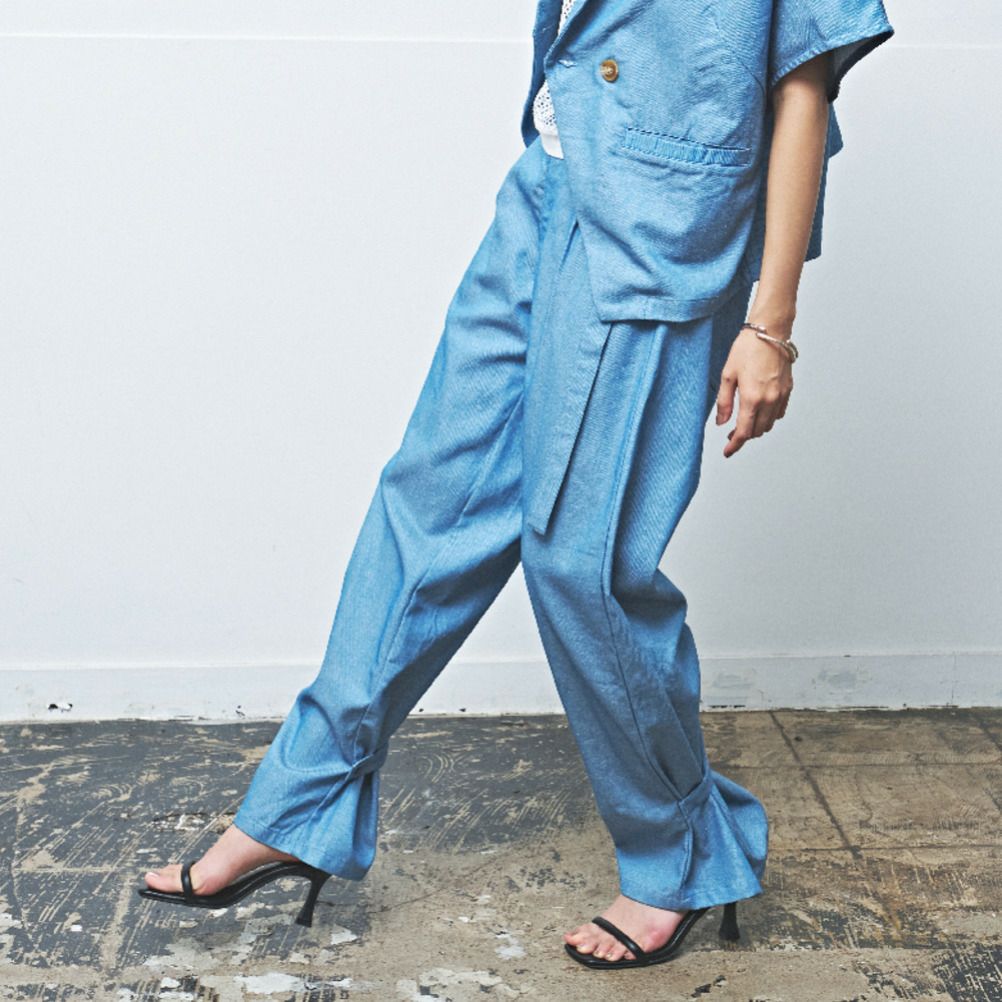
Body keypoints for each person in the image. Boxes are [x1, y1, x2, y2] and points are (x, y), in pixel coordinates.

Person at [139, 0, 895, 971]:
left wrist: (769, 324)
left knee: (583, 563)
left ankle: (681, 854)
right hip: (546, 182)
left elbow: (804, 77)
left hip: (660, 223)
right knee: (429, 507)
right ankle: (299, 805)